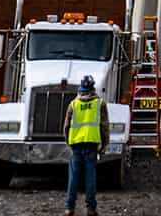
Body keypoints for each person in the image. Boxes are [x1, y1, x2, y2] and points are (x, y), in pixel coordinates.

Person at [62, 74, 108, 216]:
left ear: (80, 88)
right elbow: (104, 126)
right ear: (93, 88)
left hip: (76, 145)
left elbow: (66, 126)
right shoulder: (99, 103)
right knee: (90, 177)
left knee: (74, 177)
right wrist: (104, 145)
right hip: (92, 145)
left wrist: (69, 141)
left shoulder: (73, 104)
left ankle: (70, 208)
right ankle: (91, 209)